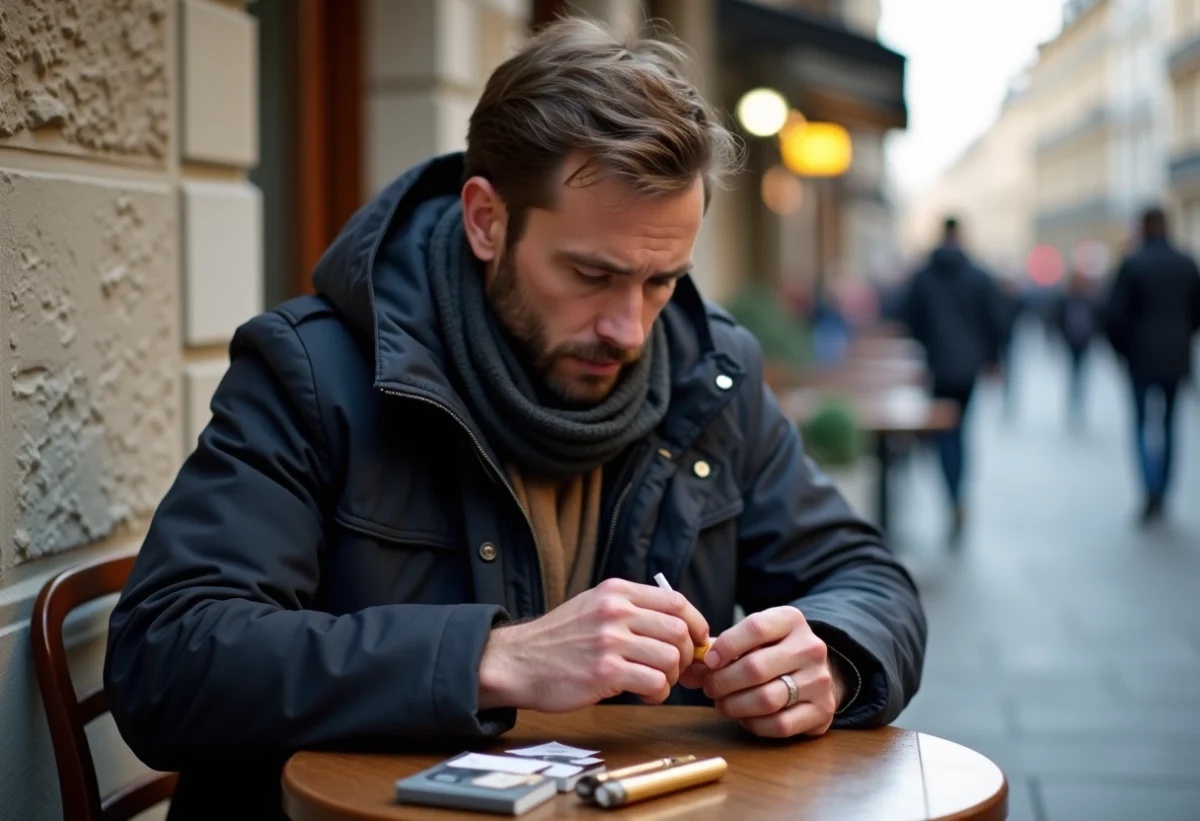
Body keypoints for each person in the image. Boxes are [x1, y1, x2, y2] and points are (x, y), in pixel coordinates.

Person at [102, 17, 927, 820]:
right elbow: (169, 660)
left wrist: (830, 656)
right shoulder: (312, 371)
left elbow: (871, 581)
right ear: (486, 220)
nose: (630, 328)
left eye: (660, 279)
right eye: (591, 273)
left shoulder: (711, 372)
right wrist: (495, 658)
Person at [900, 217, 1006, 542]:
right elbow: (996, 321)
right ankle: (957, 495)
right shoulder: (978, 275)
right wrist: (993, 360)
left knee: (942, 435)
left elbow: (907, 318)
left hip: (936, 367)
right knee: (960, 432)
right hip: (968, 368)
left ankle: (951, 495)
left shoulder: (924, 276)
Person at [1104, 207, 1200, 523]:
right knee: (1170, 425)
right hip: (1175, 356)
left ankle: (1150, 487)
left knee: (1143, 425)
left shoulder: (1133, 264)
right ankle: (1165, 488)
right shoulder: (1186, 263)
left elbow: (1113, 315)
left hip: (1140, 357)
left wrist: (1122, 350)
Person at [1052, 267, 1101, 428]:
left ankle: (1078, 401)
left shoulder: (1089, 298)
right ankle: (1074, 401)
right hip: (1072, 340)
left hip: (1083, 340)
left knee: (1080, 371)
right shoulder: (1068, 298)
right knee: (1074, 371)